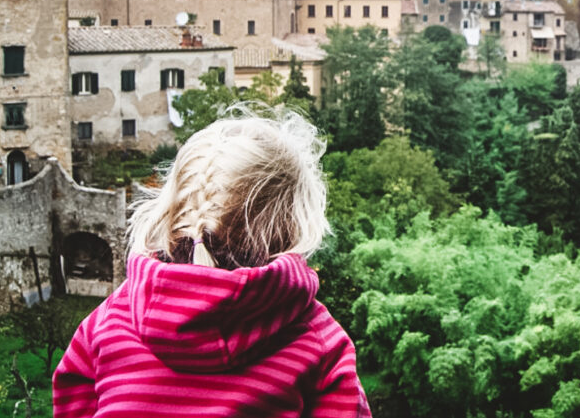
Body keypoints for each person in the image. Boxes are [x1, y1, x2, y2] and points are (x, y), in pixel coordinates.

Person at [54, 107, 371, 417]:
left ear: (170, 211)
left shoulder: (106, 323)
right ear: (293, 226)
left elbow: (72, 400)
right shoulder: (319, 342)